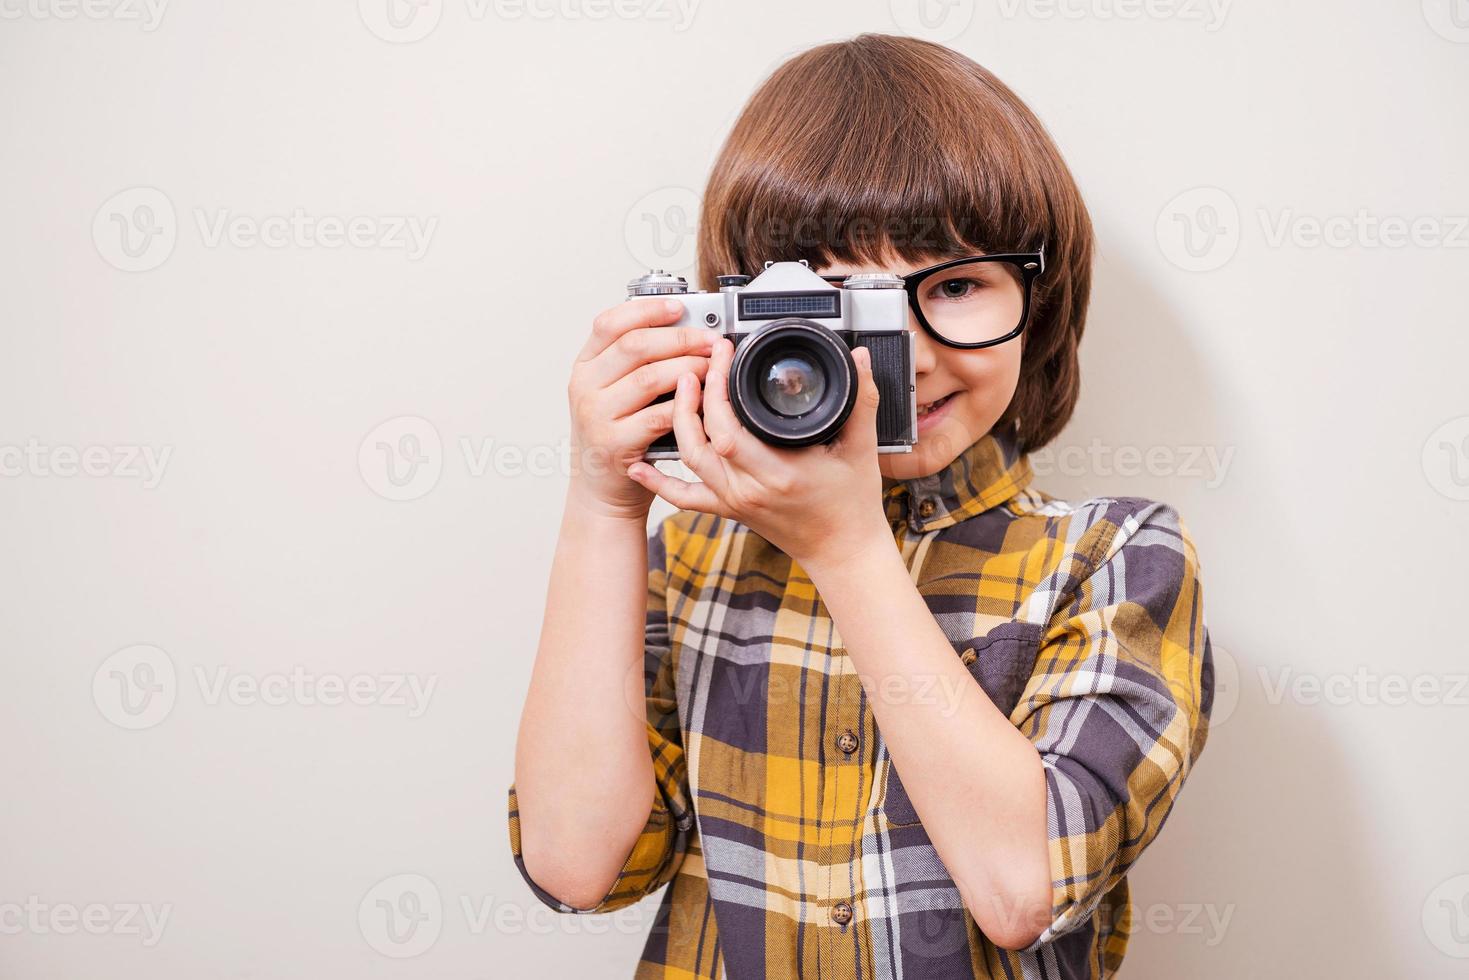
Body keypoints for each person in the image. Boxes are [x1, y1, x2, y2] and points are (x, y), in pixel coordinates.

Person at [508, 33, 1213, 980]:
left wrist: (846, 547)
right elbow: (576, 865)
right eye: (842, 302)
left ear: (1037, 302)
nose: (908, 354)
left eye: (957, 285)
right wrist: (603, 508)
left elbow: (1024, 886)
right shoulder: (690, 559)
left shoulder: (1115, 559)